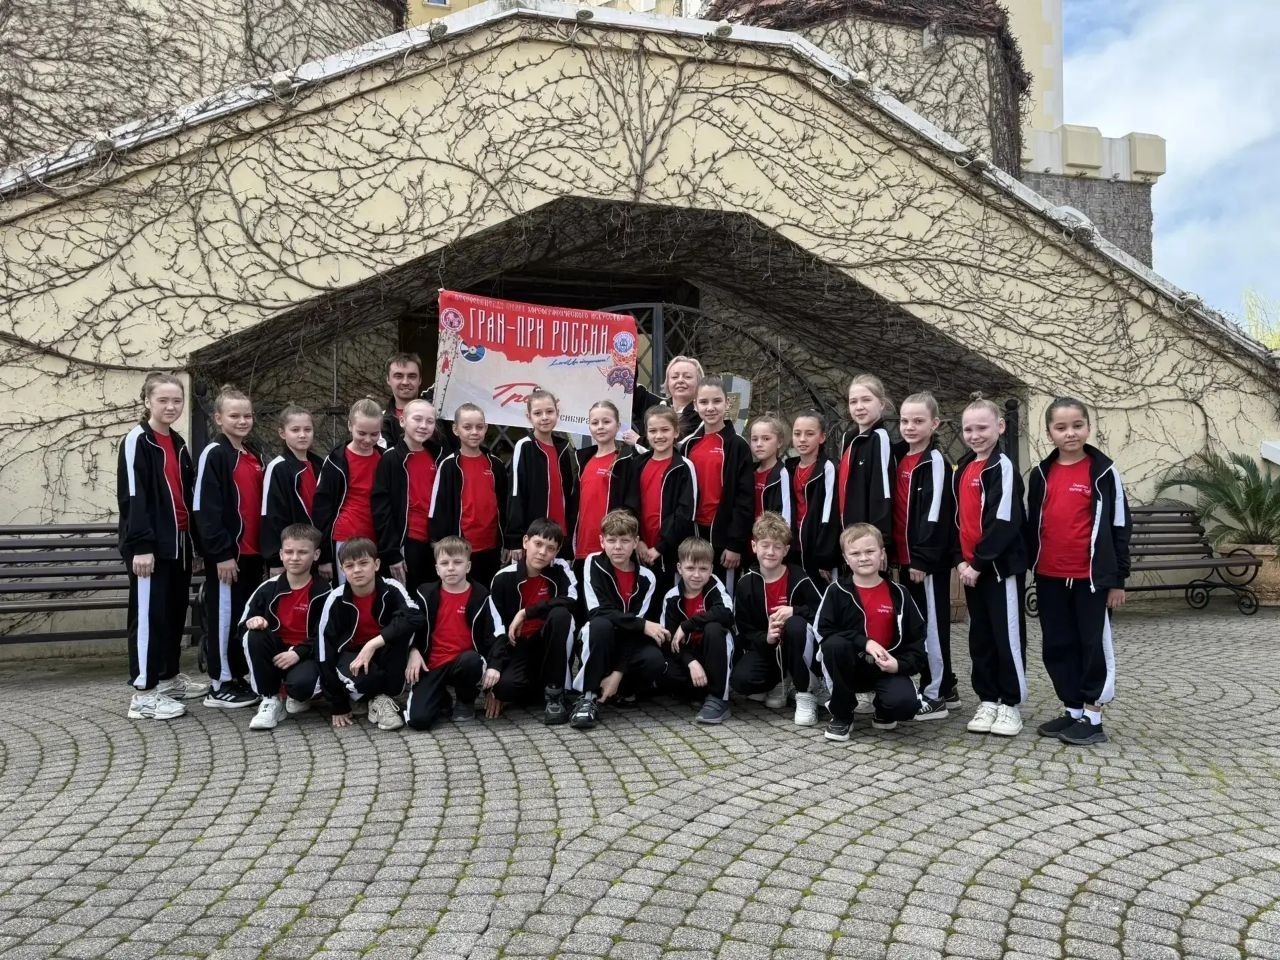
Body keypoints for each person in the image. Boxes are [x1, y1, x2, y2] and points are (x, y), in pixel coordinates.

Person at [1026, 397, 1130, 746]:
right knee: (1058, 644)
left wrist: (1117, 580)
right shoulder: (1041, 474)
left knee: (1092, 645)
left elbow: (1120, 526)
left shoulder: (1103, 472)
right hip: (1049, 576)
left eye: (1077, 425)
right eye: (1061, 427)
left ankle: (1094, 716)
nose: (1070, 433)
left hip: (1091, 580)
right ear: (1049, 433)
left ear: (1088, 427)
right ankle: (1072, 710)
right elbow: (1033, 524)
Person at [118, 372, 207, 720]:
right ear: (147, 401)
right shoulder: (137, 441)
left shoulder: (178, 442)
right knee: (148, 617)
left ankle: (167, 680)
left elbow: (187, 496)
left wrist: (195, 546)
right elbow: (133, 496)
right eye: (163, 400)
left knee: (171, 615)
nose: (171, 406)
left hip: (179, 544)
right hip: (149, 547)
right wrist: (141, 545)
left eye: (176, 400)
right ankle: (143, 695)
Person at [953, 393, 1029, 737]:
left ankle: (1010, 703)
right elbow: (957, 520)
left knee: (1006, 635)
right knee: (980, 637)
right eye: (968, 429)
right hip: (972, 571)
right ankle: (988, 699)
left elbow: (1004, 521)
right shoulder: (963, 467)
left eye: (982, 428)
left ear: (999, 426)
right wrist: (961, 561)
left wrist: (980, 563)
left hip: (999, 570)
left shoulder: (1003, 467)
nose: (975, 435)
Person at [816, 524, 925, 741]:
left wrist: (899, 665)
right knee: (835, 644)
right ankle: (842, 714)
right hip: (850, 667)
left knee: (905, 706)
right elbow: (824, 633)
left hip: (886, 667)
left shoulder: (900, 593)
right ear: (846, 559)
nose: (863, 558)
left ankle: (883, 708)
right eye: (855, 553)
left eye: (870, 551)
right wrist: (864, 642)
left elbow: (917, 641)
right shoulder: (836, 591)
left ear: (882, 554)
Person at [194, 384, 265, 709]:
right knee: (223, 618)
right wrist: (220, 553)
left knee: (241, 617)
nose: (242, 421)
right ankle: (219, 684)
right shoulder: (215, 453)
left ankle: (237, 676)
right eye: (234, 416)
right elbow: (204, 508)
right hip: (228, 557)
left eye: (247, 415)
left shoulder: (252, 455)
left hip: (252, 555)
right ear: (219, 418)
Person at [891, 391, 960, 720]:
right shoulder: (898, 457)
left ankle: (936, 695)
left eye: (918, 421)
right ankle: (948, 685)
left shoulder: (935, 463)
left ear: (934, 424)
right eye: (905, 421)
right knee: (916, 625)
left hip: (925, 564)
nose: (910, 427)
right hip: (905, 561)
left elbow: (935, 515)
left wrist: (921, 559)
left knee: (933, 627)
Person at [571, 509, 667, 729]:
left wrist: (617, 673)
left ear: (636, 543)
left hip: (628, 642)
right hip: (598, 639)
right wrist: (642, 624)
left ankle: (621, 689)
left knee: (654, 660)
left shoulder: (647, 578)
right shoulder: (593, 563)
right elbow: (598, 611)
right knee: (601, 626)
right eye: (612, 540)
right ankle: (588, 696)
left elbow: (635, 631)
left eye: (624, 541)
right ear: (601, 541)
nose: (618, 547)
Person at [319, 537, 423, 731]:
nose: (357, 570)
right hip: (352, 655)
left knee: (395, 683)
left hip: (383, 649)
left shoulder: (392, 587)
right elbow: (324, 652)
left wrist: (374, 644)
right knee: (368, 679)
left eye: (363, 563)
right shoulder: (335, 598)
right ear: (342, 570)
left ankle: (373, 698)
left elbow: (414, 616)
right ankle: (373, 700)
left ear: (376, 564)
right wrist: (337, 705)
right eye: (349, 566)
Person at [729, 512, 824, 725]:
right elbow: (744, 631)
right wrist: (767, 638)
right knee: (741, 681)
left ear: (786, 551)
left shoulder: (799, 578)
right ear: (754, 546)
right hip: (769, 651)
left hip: (800, 650)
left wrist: (795, 611)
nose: (771, 552)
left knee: (795, 625)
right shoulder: (746, 583)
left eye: (777, 547)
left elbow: (822, 612)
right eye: (765, 545)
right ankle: (782, 680)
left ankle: (805, 693)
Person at [404, 537, 505, 730]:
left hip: (464, 663)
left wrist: (494, 667)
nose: (450, 568)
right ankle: (441, 698)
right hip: (432, 665)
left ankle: (465, 700)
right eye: (444, 563)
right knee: (418, 721)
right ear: (437, 569)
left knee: (471, 661)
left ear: (468, 566)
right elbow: (410, 628)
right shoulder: (425, 594)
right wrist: (413, 651)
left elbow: (498, 634)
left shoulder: (482, 596)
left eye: (457, 562)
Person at [484, 519, 579, 724]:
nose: (543, 552)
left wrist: (526, 612)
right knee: (505, 688)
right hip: (517, 646)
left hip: (548, 644)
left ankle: (555, 692)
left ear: (557, 551)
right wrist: (495, 671)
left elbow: (572, 600)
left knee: (561, 615)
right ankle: (536, 689)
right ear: (525, 541)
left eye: (550, 548)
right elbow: (495, 626)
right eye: (538, 544)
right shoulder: (503, 578)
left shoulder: (560, 568)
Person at [241, 524, 329, 730]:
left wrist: (298, 653)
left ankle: (298, 694)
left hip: (306, 654)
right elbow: (242, 626)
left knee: (302, 686)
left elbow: (327, 635)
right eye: (289, 552)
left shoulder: (324, 592)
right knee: (254, 635)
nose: (294, 558)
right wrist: (253, 621)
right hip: (275, 652)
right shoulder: (267, 588)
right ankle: (270, 699)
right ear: (281, 554)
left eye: (302, 552)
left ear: (316, 555)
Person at [678, 377, 754, 593]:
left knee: (722, 594)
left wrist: (735, 543)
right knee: (693, 592)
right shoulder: (688, 445)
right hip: (692, 532)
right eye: (704, 402)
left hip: (723, 536)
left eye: (716, 401)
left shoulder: (737, 445)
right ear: (695, 405)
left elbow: (745, 498)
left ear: (727, 403)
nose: (710, 408)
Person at [429, 403, 508, 587]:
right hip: (461, 549)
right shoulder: (449, 465)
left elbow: (505, 506)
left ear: (486, 428)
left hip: (492, 546)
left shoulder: (495, 464)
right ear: (456, 429)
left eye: (479, 427)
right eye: (467, 427)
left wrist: (507, 542)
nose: (474, 432)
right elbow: (438, 507)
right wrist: (441, 546)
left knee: (488, 592)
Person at [658, 537, 735, 724]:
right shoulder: (671, 597)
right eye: (690, 568)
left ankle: (719, 698)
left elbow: (726, 614)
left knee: (715, 628)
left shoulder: (715, 587)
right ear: (679, 568)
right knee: (662, 669)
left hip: (714, 654)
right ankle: (697, 693)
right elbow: (670, 640)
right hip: (690, 656)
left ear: (711, 569)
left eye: (703, 569)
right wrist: (691, 662)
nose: (696, 575)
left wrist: (687, 625)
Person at [372, 399, 446, 593]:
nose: (423, 425)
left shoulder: (439, 456)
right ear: (402, 421)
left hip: (435, 544)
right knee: (406, 598)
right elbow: (381, 508)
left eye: (430, 421)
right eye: (417, 419)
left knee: (430, 597)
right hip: (406, 542)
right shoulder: (391, 458)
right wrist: (392, 552)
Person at [313, 398, 385, 583]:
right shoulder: (335, 461)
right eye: (361, 433)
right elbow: (322, 510)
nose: (368, 440)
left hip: (378, 539)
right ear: (349, 426)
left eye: (374, 434)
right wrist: (324, 555)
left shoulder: (385, 458)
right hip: (345, 537)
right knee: (347, 591)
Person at [631, 405, 695, 601]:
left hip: (669, 553)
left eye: (665, 430)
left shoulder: (683, 466)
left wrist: (660, 547)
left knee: (668, 603)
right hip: (640, 549)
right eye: (653, 431)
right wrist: (638, 540)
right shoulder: (637, 464)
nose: (659, 436)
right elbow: (630, 506)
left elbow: (685, 513)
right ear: (646, 434)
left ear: (675, 432)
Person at [507, 388, 576, 561]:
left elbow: (567, 493)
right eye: (538, 413)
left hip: (560, 534)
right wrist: (515, 538)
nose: (544, 417)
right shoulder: (524, 446)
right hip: (535, 536)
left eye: (549, 412)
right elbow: (516, 492)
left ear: (557, 413)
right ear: (529, 416)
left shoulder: (563, 448)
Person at [571, 400, 636, 578]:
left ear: (618, 426)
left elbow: (631, 506)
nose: (600, 427)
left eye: (606, 422)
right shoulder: (582, 460)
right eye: (595, 422)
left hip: (612, 549)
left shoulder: (625, 461)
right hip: (582, 547)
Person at [261, 405, 323, 577]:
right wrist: (275, 559)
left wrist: (326, 556)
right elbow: (271, 515)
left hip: (317, 553)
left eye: (307, 429)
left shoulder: (320, 465)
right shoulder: (278, 468)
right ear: (282, 433)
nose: (302, 435)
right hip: (292, 557)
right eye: (295, 430)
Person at [838, 374, 895, 548]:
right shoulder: (849, 438)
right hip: (848, 539)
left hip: (868, 544)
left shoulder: (879, 438)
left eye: (866, 400)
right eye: (853, 401)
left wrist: (881, 543)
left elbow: (882, 494)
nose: (859, 407)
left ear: (881, 404)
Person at [785, 410, 839, 583]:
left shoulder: (828, 468)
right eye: (797, 434)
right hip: (793, 547)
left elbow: (830, 514)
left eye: (809, 434)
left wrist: (825, 556)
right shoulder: (788, 468)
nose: (802, 439)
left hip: (817, 549)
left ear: (822, 437)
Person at [380, 351, 457, 454]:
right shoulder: (381, 422)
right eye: (398, 376)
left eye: (412, 376)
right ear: (388, 380)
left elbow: (452, 373)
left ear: (420, 380)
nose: (405, 382)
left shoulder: (438, 407)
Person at [630, 354, 704, 441]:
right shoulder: (655, 405)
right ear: (668, 382)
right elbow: (630, 387)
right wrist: (628, 356)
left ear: (699, 383)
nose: (680, 380)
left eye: (687, 377)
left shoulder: (702, 416)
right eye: (674, 377)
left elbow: (673, 444)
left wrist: (638, 441)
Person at [748, 413, 791, 524]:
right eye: (754, 439)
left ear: (779, 442)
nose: (759, 444)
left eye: (766, 439)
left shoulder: (783, 474)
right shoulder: (747, 472)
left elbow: (786, 514)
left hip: (771, 533)